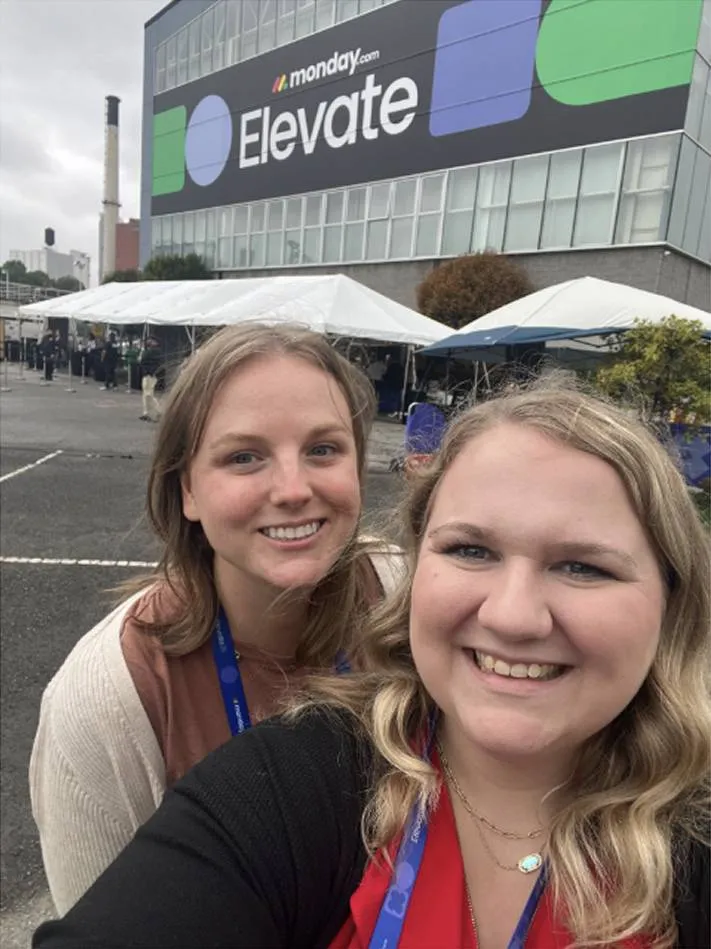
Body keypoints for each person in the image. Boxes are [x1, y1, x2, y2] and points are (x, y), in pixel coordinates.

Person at [33, 375, 710, 949]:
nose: (510, 614)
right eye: (470, 550)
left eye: (582, 565)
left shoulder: (694, 826)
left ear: (671, 600)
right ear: (420, 567)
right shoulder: (297, 782)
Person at [29, 323, 404, 915]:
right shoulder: (106, 701)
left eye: (323, 449)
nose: (292, 488)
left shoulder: (408, 603)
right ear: (188, 493)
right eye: (244, 457)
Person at [138, 335, 162, 421]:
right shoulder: (153, 351)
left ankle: (159, 411)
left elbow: (142, 359)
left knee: (148, 394)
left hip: (149, 374)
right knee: (145, 394)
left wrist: (142, 353)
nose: (149, 342)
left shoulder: (154, 351)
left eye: (151, 340)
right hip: (149, 374)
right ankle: (145, 412)